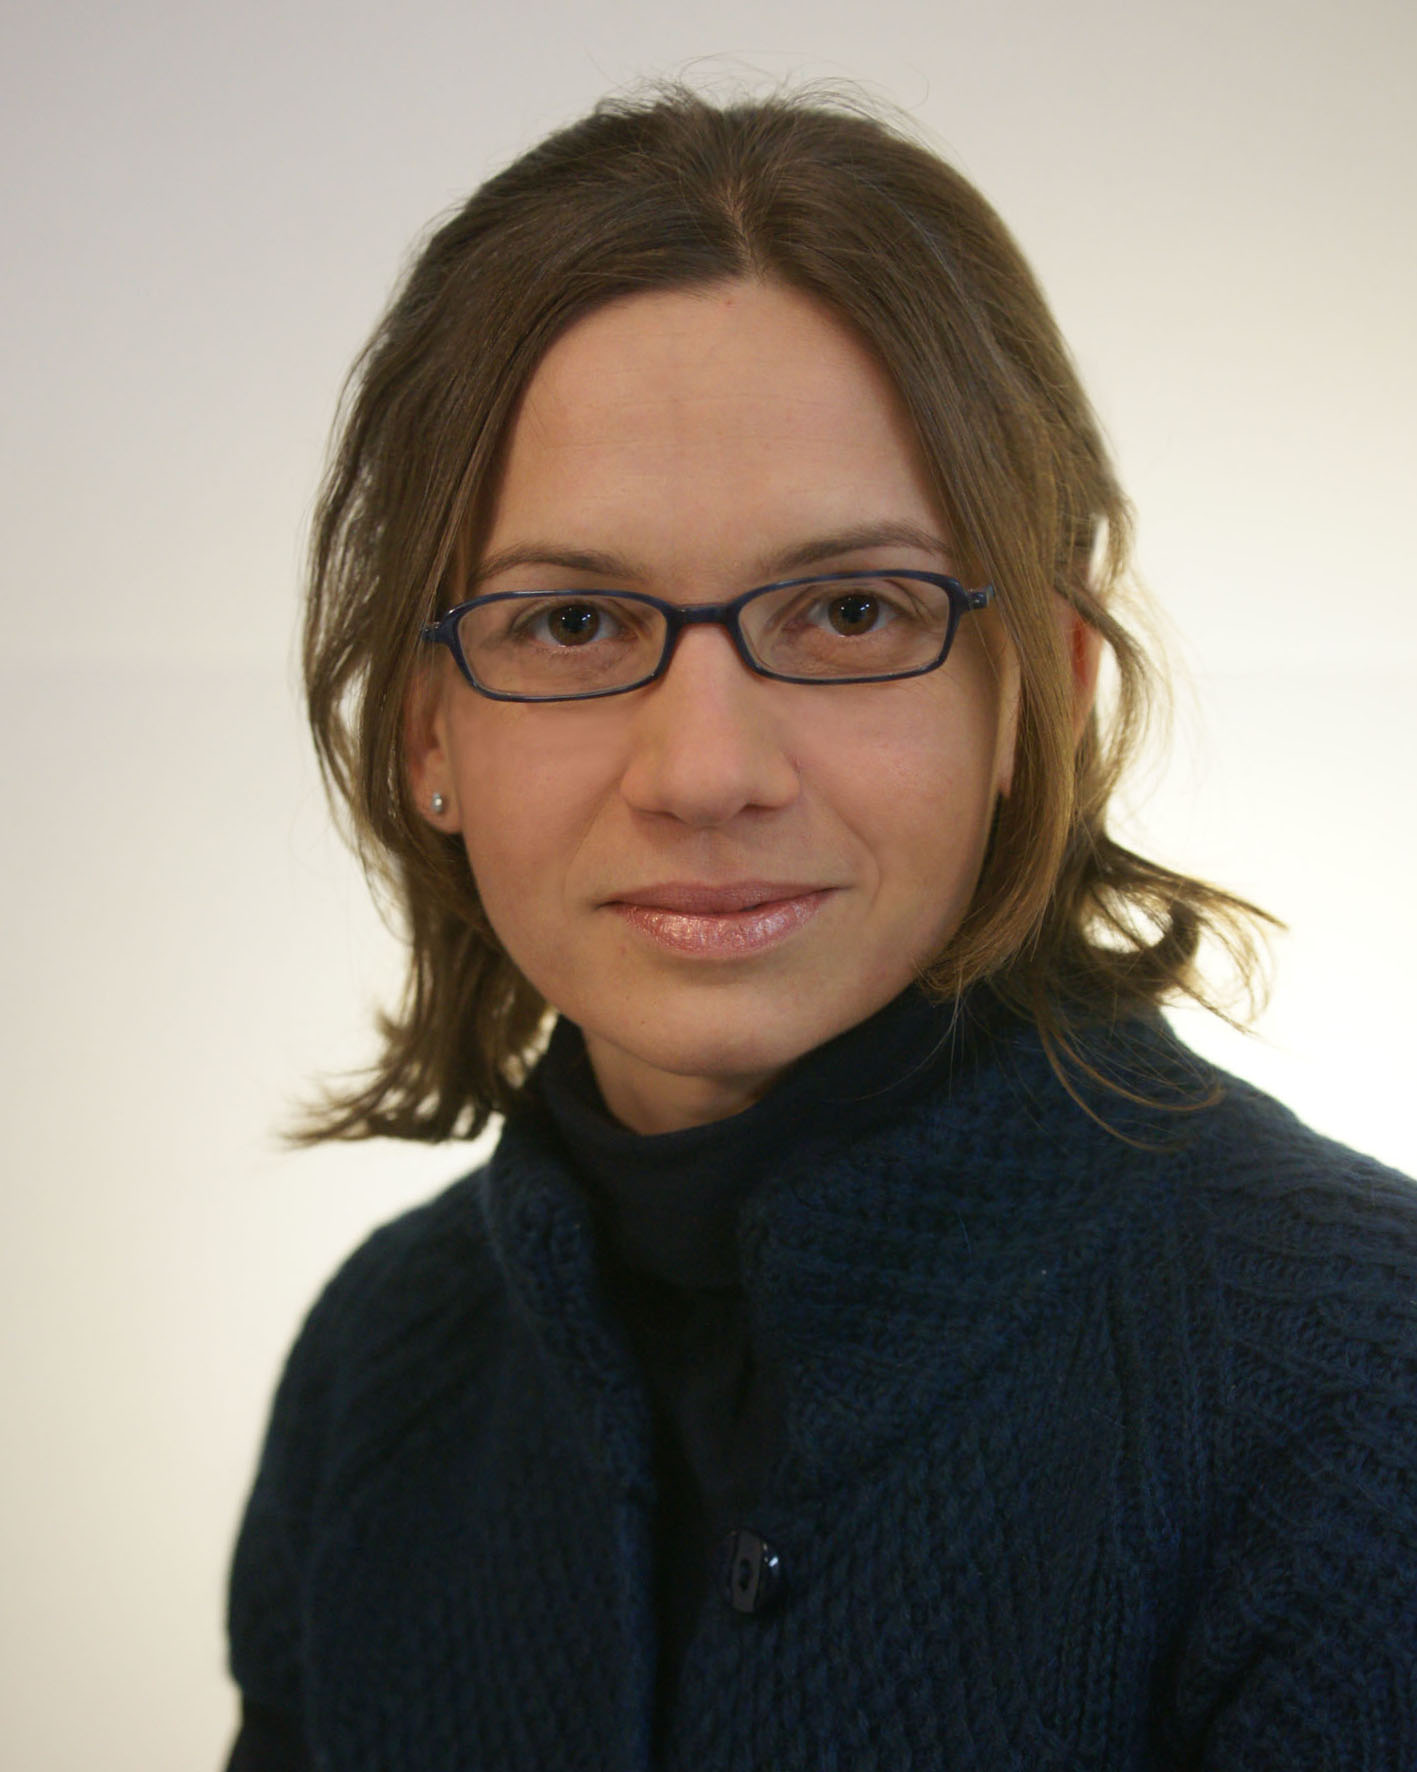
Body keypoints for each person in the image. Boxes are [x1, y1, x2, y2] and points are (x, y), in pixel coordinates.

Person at [225, 87, 1417, 1770]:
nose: (706, 770)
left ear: (1039, 702)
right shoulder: (380, 1368)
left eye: (852, 610)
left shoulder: (1363, 1388)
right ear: (428, 730)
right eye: (571, 619)